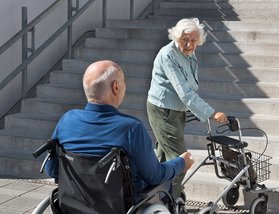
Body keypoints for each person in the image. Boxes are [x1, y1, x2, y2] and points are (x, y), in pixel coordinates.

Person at [44, 60, 194, 204]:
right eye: (123, 82)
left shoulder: (67, 120)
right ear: (116, 87)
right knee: (164, 185)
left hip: (75, 204)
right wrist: (181, 163)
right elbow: (155, 176)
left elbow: (52, 170)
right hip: (121, 205)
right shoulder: (131, 128)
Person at [146, 18, 228, 199]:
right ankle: (171, 200)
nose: (190, 44)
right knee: (181, 160)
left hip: (177, 110)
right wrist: (212, 113)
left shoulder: (189, 53)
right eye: (185, 39)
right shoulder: (168, 55)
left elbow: (190, 88)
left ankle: (153, 197)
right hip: (164, 110)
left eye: (193, 41)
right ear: (177, 37)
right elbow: (186, 93)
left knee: (163, 157)